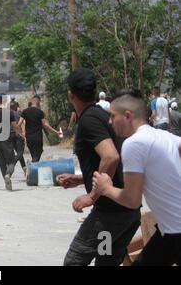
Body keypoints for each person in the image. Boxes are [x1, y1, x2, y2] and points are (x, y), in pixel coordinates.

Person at [56, 68, 140, 266]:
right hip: (125, 213)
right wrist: (80, 179)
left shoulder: (89, 120)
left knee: (74, 262)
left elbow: (110, 157)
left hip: (108, 216)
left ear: (71, 95)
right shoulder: (101, 116)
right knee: (106, 261)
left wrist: (91, 196)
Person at [92, 90, 181, 266]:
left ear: (127, 116)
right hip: (167, 231)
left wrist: (105, 188)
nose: (109, 122)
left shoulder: (134, 143)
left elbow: (132, 200)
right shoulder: (167, 136)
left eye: (112, 116)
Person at [0, 94, 24, 191]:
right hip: (6, 141)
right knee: (11, 162)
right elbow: (15, 126)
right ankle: (8, 175)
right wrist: (20, 134)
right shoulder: (9, 112)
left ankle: (6, 182)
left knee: (1, 162)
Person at [18, 96, 62, 162]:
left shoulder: (24, 111)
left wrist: (21, 134)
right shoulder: (40, 112)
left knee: (34, 155)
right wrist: (56, 132)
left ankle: (33, 168)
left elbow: (19, 124)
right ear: (38, 103)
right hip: (37, 138)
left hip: (29, 138)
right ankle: (31, 167)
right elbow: (45, 125)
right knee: (37, 155)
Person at [10, 101, 26, 175]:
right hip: (18, 134)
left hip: (10, 135)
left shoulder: (8, 114)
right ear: (16, 106)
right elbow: (24, 123)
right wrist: (23, 134)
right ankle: (12, 163)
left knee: (19, 153)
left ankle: (24, 168)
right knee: (20, 153)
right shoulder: (19, 113)